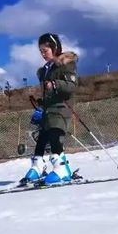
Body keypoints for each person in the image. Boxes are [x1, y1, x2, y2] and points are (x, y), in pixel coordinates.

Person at [23, 33, 78, 185]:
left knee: (54, 135)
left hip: (62, 108)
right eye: (40, 51)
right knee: (42, 139)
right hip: (49, 109)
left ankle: (62, 169)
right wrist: (40, 103)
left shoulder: (66, 64)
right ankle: (38, 166)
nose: (42, 54)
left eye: (45, 50)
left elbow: (72, 86)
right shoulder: (46, 69)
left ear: (54, 48)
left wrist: (55, 84)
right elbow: (48, 93)